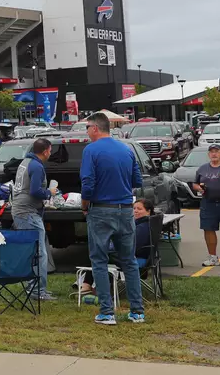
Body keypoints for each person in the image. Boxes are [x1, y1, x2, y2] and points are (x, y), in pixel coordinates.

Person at [81, 112, 145, 325]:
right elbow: (137, 180)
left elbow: (88, 183)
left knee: (99, 260)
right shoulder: (126, 150)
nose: (87, 132)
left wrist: (84, 205)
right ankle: (137, 312)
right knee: (129, 261)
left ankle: (107, 312)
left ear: (96, 128)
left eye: (87, 127)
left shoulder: (91, 150)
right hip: (125, 210)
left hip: (100, 210)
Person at [11, 138, 59, 301]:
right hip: (27, 212)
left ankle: (33, 287)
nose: (50, 153)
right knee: (40, 253)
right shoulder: (37, 166)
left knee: (33, 251)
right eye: (50, 150)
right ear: (45, 151)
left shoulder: (25, 161)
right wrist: (49, 193)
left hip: (20, 209)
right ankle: (37, 291)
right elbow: (35, 191)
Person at [80, 199, 154, 294]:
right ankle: (87, 284)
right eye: (134, 208)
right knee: (99, 252)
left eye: (139, 209)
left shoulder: (142, 227)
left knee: (98, 253)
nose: (135, 211)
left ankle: (89, 285)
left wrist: (113, 246)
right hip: (138, 257)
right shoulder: (143, 223)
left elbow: (133, 247)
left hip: (134, 258)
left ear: (148, 211)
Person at [193, 143, 220, 267]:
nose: (214, 154)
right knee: (208, 230)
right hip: (208, 203)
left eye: (217, 151)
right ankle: (213, 258)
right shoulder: (202, 169)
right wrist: (199, 188)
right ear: (208, 154)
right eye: (211, 152)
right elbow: (195, 184)